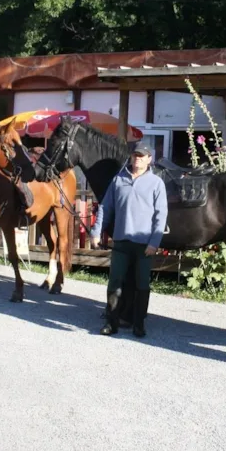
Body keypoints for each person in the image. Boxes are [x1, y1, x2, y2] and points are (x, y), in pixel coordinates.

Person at [90, 141, 168, 338]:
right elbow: (106, 208)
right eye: (135, 155)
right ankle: (111, 322)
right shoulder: (118, 180)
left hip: (144, 245)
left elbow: (161, 215)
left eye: (142, 156)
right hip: (121, 242)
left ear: (149, 159)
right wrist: (96, 231)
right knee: (115, 282)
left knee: (142, 284)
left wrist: (154, 242)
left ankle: (139, 323)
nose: (137, 159)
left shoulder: (156, 183)